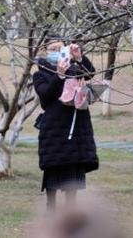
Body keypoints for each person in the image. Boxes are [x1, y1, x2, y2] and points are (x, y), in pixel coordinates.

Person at [33, 35, 98, 212]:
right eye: (52, 49)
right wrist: (59, 75)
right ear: (45, 52)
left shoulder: (74, 68)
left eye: (60, 48)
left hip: (76, 125)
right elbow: (45, 97)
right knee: (54, 165)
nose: (56, 52)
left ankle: (71, 208)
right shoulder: (39, 74)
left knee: (73, 164)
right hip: (54, 127)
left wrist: (79, 58)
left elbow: (90, 73)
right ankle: (51, 207)